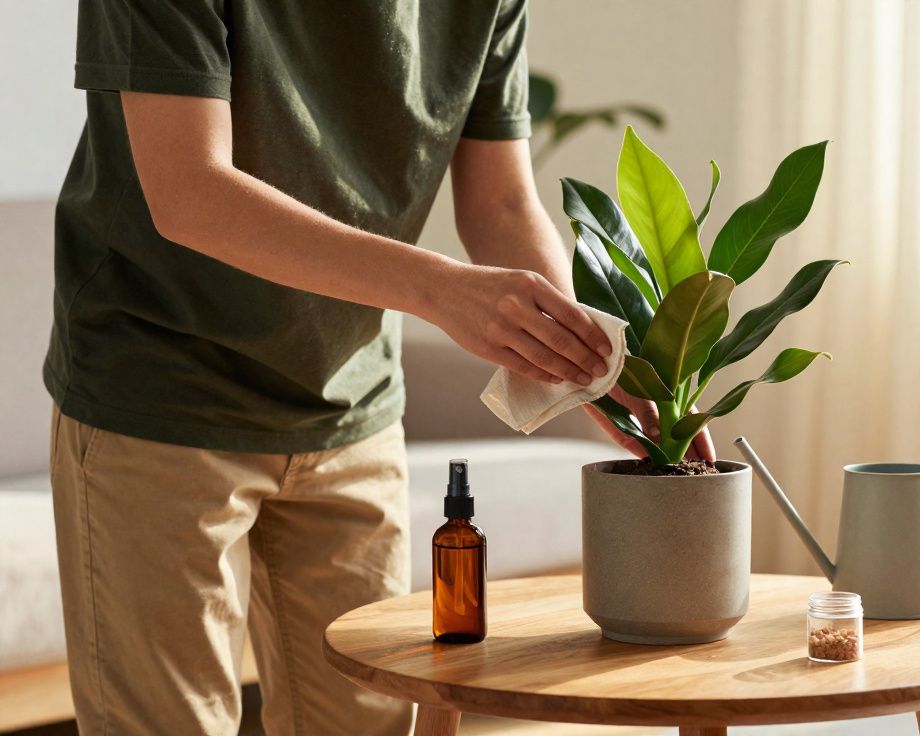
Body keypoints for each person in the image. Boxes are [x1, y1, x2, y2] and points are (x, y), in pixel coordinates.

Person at [45, 1, 713, 733]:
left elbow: (500, 201)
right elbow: (189, 190)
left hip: (350, 410)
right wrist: (439, 290)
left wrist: (589, 359)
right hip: (160, 398)